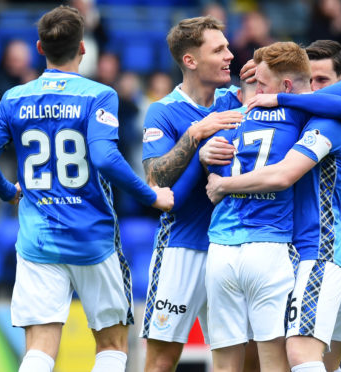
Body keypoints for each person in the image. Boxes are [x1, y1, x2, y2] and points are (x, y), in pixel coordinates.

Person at [0, 6, 173, 372]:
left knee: (39, 350)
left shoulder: (14, 98)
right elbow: (106, 159)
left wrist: (7, 192)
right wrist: (152, 195)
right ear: (82, 48)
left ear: (39, 47)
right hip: (92, 237)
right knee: (112, 346)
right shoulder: (99, 95)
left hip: (38, 239)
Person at [200, 41, 341, 372]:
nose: (255, 91)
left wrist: (220, 181)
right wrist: (207, 154)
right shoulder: (293, 116)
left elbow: (282, 176)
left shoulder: (321, 119)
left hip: (318, 248)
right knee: (297, 359)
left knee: (300, 354)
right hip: (283, 248)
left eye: (323, 80)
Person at [244, 40, 341, 372]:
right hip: (319, 251)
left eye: (322, 80)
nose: (313, 89)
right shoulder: (304, 119)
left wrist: (284, 96)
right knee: (319, 360)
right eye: (309, 80)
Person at [139, 15, 245, 372]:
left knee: (246, 361)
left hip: (232, 247)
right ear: (190, 60)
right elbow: (155, 178)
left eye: (228, 46)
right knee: (161, 360)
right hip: (182, 247)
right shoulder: (164, 112)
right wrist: (196, 135)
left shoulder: (238, 101)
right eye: (219, 50)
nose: (230, 55)